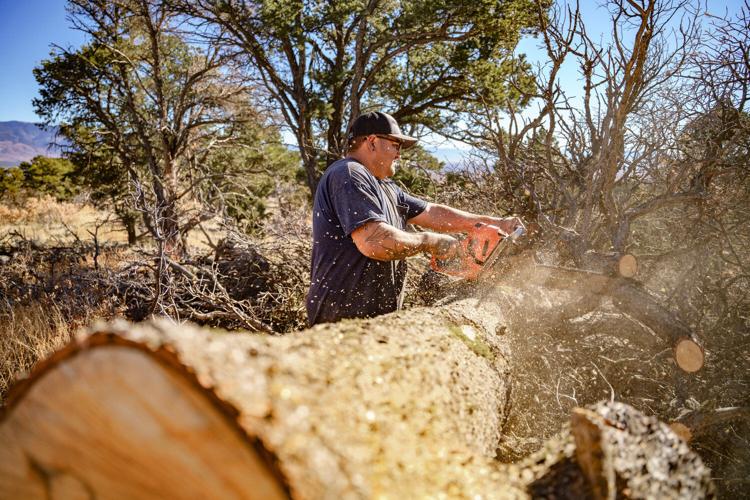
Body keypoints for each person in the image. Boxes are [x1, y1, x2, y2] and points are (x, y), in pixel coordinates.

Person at [306, 111, 522, 326]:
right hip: (339, 320)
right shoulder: (349, 173)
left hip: (373, 321)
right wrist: (431, 242)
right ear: (372, 142)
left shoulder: (386, 187)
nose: (399, 154)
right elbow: (375, 241)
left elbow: (432, 212)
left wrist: (496, 223)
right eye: (396, 145)